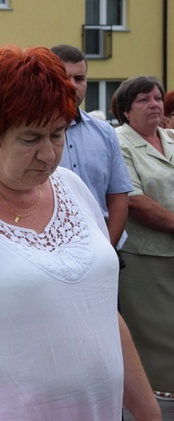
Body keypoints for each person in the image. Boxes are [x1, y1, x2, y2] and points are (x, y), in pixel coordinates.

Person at [0, 46, 160, 420]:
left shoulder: (72, 188)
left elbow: (102, 312)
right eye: (30, 138)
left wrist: (149, 413)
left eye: (57, 134)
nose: (49, 154)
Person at [112, 76, 174, 402]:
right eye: (143, 100)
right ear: (125, 109)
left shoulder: (172, 138)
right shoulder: (119, 142)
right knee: (155, 338)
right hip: (145, 258)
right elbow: (133, 200)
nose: (154, 104)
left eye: (157, 98)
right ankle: (151, 402)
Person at [51, 44, 132, 250]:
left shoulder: (105, 133)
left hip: (101, 246)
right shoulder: (27, 134)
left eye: (80, 79)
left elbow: (118, 199)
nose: (73, 85)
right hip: (49, 249)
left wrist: (106, 250)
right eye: (64, 77)